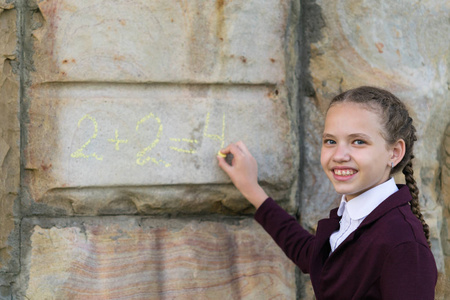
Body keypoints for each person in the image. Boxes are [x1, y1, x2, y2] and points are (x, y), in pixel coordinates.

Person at [217, 86, 437, 299]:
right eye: (330, 141)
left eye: (358, 141)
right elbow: (312, 255)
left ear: (395, 152)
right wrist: (251, 189)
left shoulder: (403, 244)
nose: (339, 155)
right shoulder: (356, 219)